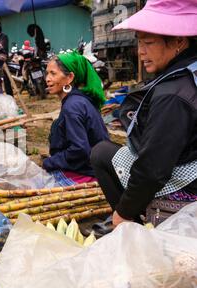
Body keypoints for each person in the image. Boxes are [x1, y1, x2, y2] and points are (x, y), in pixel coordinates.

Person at [90, 0, 197, 227]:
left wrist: (124, 211)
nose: (140, 52)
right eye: (139, 42)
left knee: (101, 153)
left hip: (189, 181)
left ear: (179, 40)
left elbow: (152, 170)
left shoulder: (173, 95)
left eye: (148, 42)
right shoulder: (190, 70)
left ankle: (135, 226)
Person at [43, 50, 109, 186]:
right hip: (95, 168)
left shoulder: (72, 106)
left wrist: (49, 162)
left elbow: (80, 150)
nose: (47, 79)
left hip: (87, 173)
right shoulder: (79, 100)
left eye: (53, 73)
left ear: (70, 77)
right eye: (47, 73)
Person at [0, 24, 13, 96]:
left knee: (6, 78)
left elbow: (3, 48)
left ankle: (10, 94)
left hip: (3, 60)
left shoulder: (3, 37)